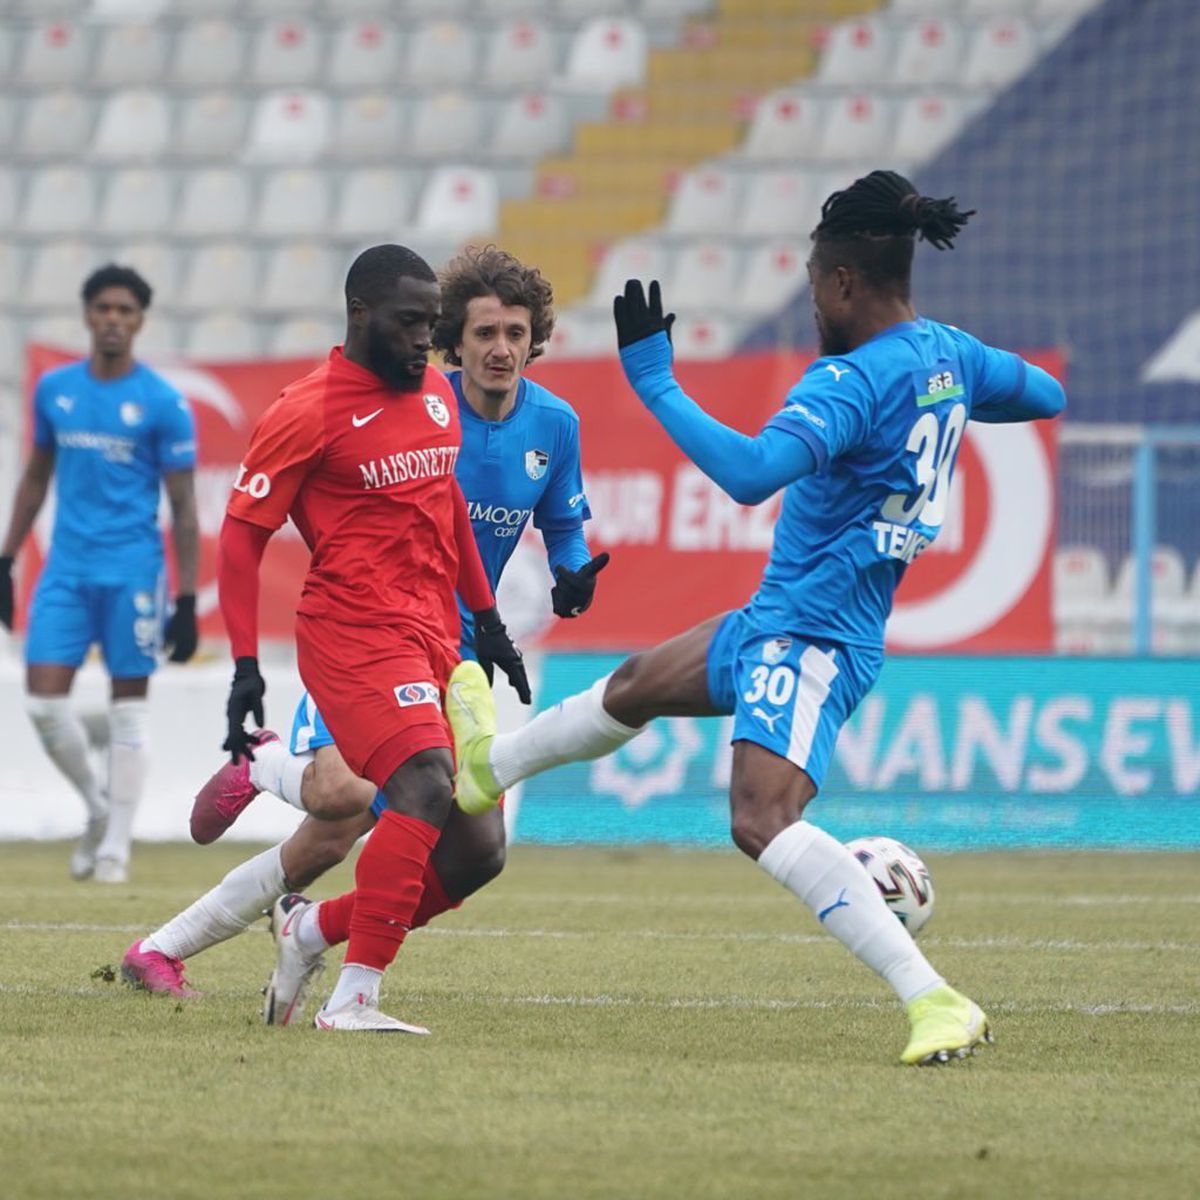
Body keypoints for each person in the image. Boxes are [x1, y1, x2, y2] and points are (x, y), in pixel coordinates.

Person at [448, 171, 1067, 1066]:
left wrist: (655, 383)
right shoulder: (945, 354)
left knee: (760, 819)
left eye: (815, 280)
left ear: (844, 280)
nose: (811, 300)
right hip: (776, 617)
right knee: (633, 685)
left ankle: (933, 998)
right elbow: (1043, 396)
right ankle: (486, 772)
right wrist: (957, 390)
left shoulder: (849, 382)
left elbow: (748, 476)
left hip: (813, 637)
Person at [120, 247, 606, 1027]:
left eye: (514, 331)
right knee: (345, 802)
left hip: (445, 645)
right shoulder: (332, 406)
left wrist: (511, 607)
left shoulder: (523, 420)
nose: (495, 347)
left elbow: (536, 523)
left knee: (474, 849)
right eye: (476, 330)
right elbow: (244, 536)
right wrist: (245, 663)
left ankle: (308, 923)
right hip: (361, 636)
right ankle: (188, 924)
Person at [0, 264, 198, 884]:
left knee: (129, 709)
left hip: (133, 572)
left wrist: (188, 599)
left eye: (126, 310)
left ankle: (115, 846)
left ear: (140, 321)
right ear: (88, 314)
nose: (114, 319)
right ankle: (94, 806)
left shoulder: (164, 403)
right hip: (65, 568)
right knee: (41, 705)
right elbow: (35, 477)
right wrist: (6, 559)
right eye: (104, 308)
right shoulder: (55, 390)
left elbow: (187, 508)